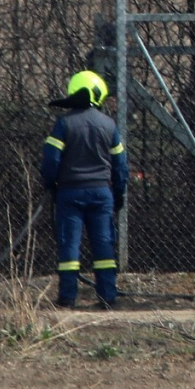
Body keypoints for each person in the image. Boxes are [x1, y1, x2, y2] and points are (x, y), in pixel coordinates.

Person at [41, 71, 129, 309]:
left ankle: (67, 298)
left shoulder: (64, 124)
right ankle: (107, 297)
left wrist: (51, 184)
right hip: (102, 194)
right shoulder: (109, 125)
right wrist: (119, 193)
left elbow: (51, 160)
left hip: (69, 193)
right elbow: (120, 166)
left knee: (69, 245)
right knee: (104, 246)